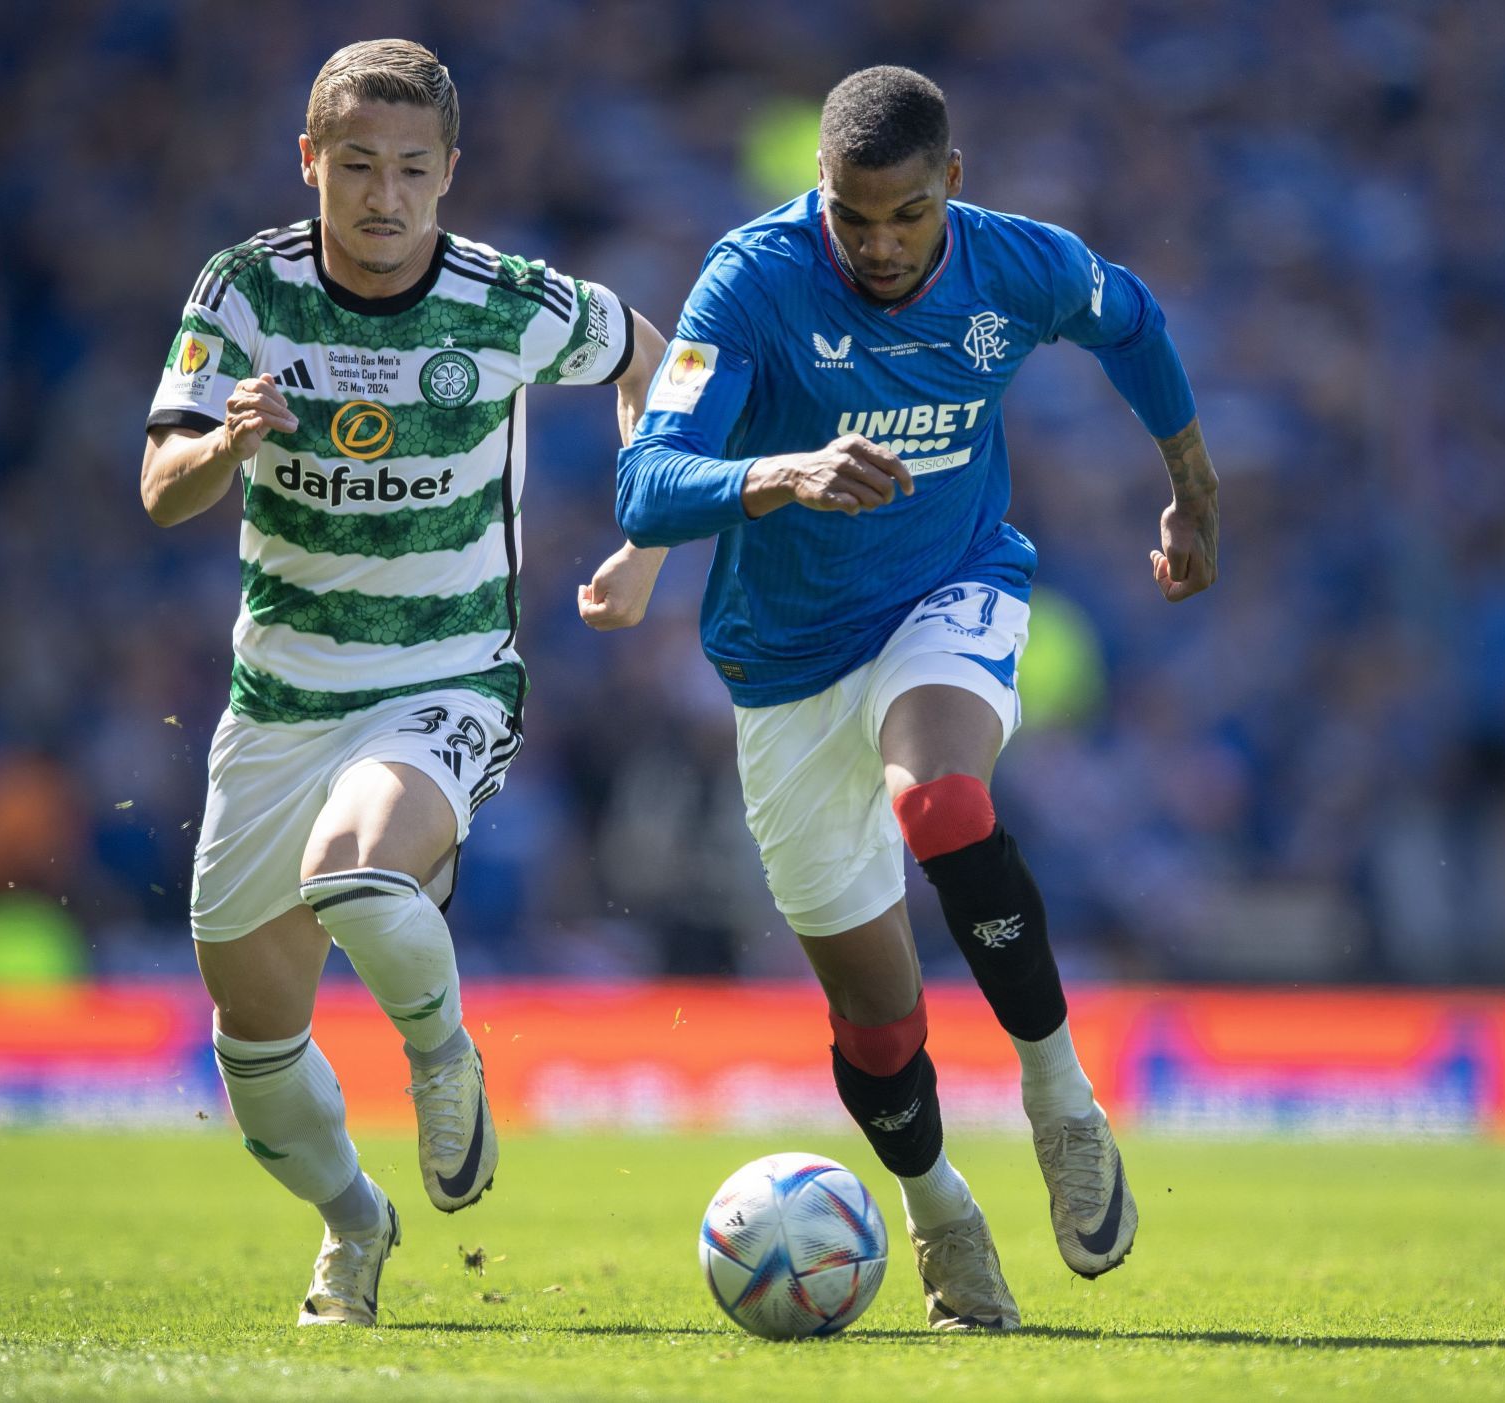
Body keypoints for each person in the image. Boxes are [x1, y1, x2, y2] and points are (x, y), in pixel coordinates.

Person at [616, 66, 1218, 1330]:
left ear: (954, 179)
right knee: (877, 1020)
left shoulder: (1016, 266)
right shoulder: (754, 279)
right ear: (821, 195)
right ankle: (944, 1214)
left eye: (906, 215)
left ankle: (1060, 1101)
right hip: (782, 662)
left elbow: (1136, 320)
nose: (880, 244)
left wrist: (1192, 483)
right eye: (853, 217)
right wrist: (784, 470)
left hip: (951, 588)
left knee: (940, 800)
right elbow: (644, 485)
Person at [142, 39, 667, 1327]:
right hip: (279, 694)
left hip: (447, 672)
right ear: (311, 162)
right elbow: (163, 490)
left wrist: (648, 537)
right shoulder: (245, 288)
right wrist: (227, 439)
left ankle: (444, 1057)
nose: (385, 197)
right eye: (359, 166)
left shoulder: (508, 301)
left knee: (358, 866)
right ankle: (352, 1221)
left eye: (413, 171)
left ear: (450, 175)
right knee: (253, 1041)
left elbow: (663, 356)